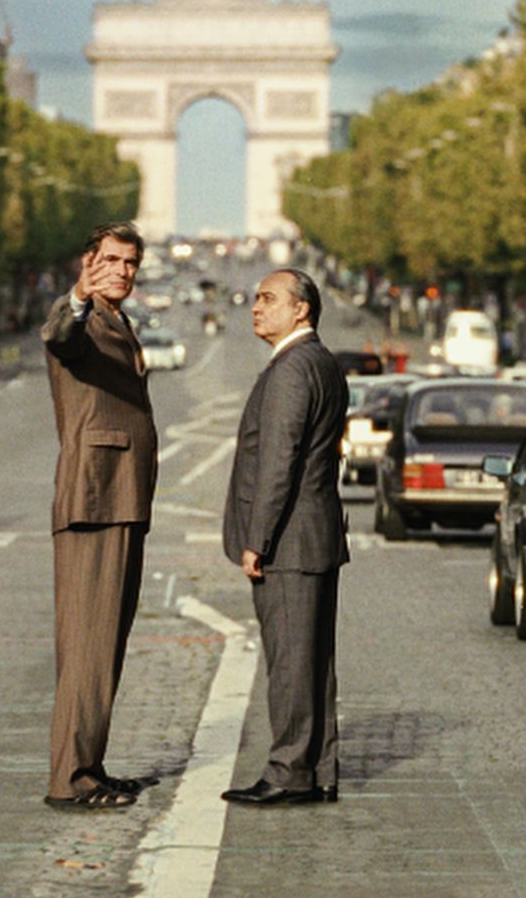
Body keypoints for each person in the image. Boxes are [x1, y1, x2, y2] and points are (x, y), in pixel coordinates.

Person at [39, 222, 160, 810]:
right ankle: (70, 779)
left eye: (130, 262)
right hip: (95, 497)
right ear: (87, 264)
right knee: (88, 644)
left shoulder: (119, 320)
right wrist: (79, 299)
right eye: (110, 260)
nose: (122, 270)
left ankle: (90, 764)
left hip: (120, 497)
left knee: (103, 643)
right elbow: (61, 335)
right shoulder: (80, 317)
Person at [221, 269, 348, 807]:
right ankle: (317, 769)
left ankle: (289, 771)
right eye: (255, 299)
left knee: (291, 664)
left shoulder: (291, 370)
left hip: (290, 541)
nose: (256, 308)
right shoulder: (322, 362)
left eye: (269, 299)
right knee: (313, 663)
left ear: (302, 310)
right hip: (314, 534)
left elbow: (278, 463)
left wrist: (258, 539)